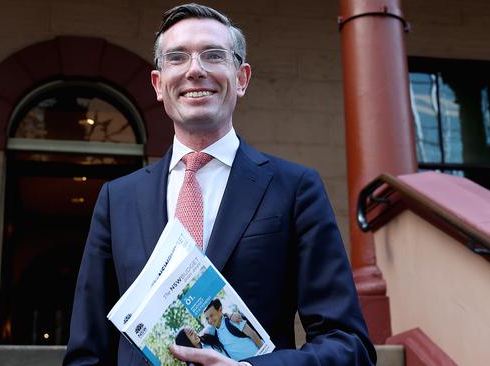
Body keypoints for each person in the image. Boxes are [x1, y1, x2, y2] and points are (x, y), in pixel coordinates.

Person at [63, 3, 376, 366]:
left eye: (213, 55)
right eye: (177, 58)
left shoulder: (295, 189)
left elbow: (349, 344)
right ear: (159, 84)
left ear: (241, 78)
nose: (195, 70)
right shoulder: (117, 200)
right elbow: (87, 352)